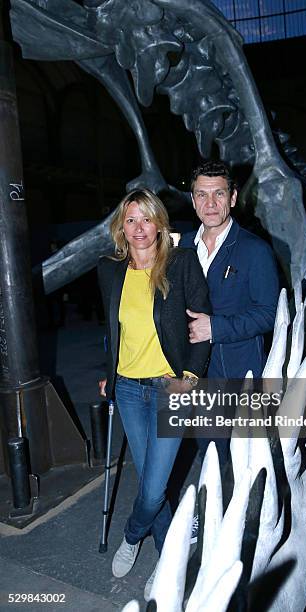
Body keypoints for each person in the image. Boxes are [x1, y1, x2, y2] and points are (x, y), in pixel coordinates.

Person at [97, 188, 210, 588]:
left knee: (152, 489)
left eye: (147, 219)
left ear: (160, 223)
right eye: (131, 220)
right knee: (151, 482)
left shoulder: (181, 264)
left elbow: (201, 329)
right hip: (127, 390)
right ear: (121, 228)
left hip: (169, 389)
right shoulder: (108, 270)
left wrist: (190, 378)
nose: (139, 228)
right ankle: (167, 561)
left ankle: (130, 536)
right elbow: (113, 330)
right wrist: (110, 372)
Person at [179, 160, 279, 466]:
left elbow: (270, 314)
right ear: (193, 199)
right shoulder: (181, 248)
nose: (210, 204)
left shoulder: (254, 250)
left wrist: (216, 328)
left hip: (239, 372)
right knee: (208, 454)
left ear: (233, 198)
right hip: (193, 374)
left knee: (246, 463)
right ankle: (207, 513)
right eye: (202, 194)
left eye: (219, 194)